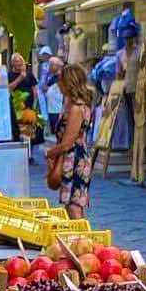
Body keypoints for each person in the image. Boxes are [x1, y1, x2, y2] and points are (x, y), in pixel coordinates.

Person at [45, 64, 93, 219]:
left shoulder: (76, 108)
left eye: (62, 80)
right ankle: (82, 240)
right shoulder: (73, 104)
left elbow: (67, 142)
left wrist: (50, 153)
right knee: (72, 203)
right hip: (73, 158)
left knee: (73, 205)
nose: (59, 83)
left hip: (74, 160)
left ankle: (84, 240)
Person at [117, 25, 141, 147]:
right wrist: (117, 89)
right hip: (125, 89)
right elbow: (119, 73)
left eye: (130, 38)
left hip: (137, 88)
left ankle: (138, 144)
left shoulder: (139, 51)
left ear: (134, 38)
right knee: (129, 118)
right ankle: (132, 143)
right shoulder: (120, 54)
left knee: (138, 118)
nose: (128, 40)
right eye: (126, 38)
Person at [45, 56, 64, 135]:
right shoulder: (52, 77)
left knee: (58, 132)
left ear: (55, 66)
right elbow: (45, 87)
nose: (48, 67)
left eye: (50, 65)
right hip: (52, 109)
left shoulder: (61, 77)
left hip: (58, 110)